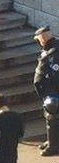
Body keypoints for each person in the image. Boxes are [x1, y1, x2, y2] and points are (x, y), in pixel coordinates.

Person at [33, 26, 59, 156]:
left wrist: (46, 92)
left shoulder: (52, 53)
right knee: (51, 117)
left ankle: (54, 145)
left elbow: (52, 74)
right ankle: (51, 141)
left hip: (53, 92)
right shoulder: (53, 48)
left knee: (52, 117)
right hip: (51, 90)